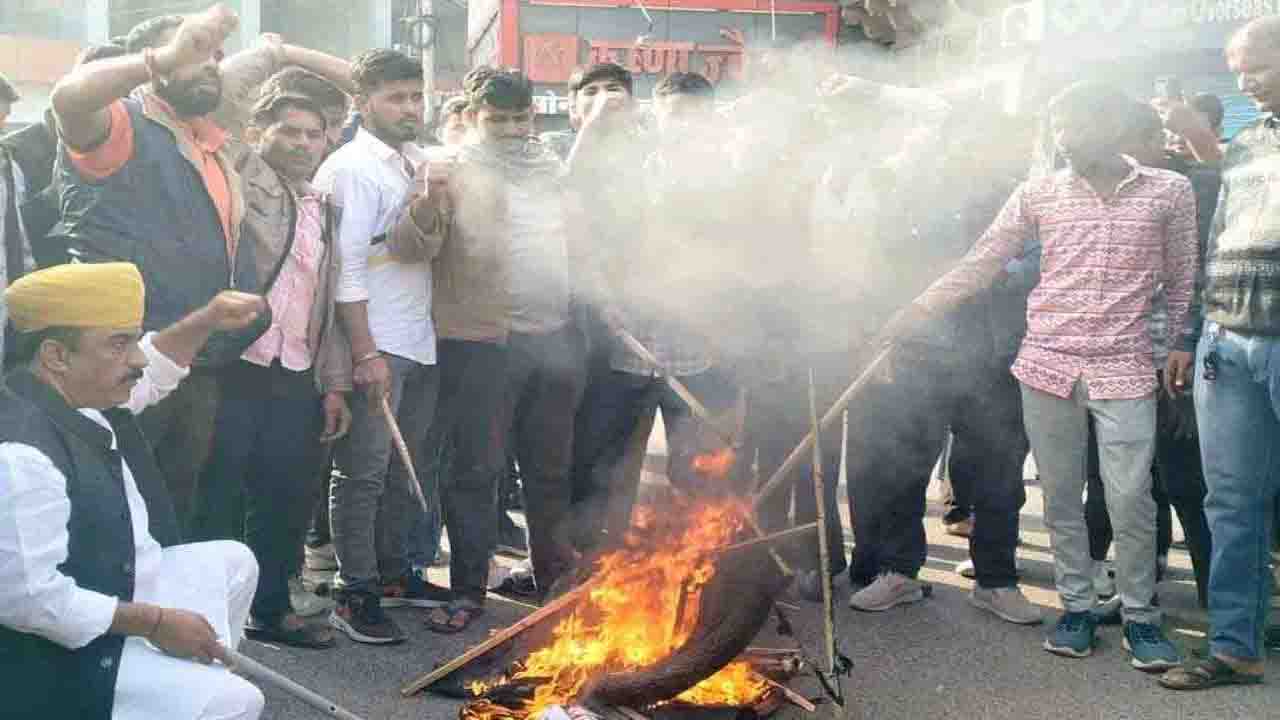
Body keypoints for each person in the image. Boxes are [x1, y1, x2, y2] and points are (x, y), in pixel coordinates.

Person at [890, 81, 1197, 671]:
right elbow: (982, 260)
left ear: (1111, 126)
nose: (1065, 139)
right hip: (1047, 364)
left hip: (1126, 366)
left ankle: (1140, 615)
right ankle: (1076, 606)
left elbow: (1183, 277)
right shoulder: (1039, 193)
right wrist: (917, 309)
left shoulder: (1169, 190)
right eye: (1058, 128)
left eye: (1076, 126)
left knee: (1131, 496)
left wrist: (1180, 343)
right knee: (1059, 497)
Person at [0, 262, 269, 719]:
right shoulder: (21, 458)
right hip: (51, 658)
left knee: (233, 562)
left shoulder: (77, 391)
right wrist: (156, 622)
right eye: (119, 343)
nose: (137, 359)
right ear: (55, 356)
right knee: (237, 703)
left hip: (114, 589)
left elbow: (158, 363)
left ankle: (176, 689)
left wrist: (206, 319)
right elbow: (28, 602)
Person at [389, 67, 606, 627]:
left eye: (519, 117)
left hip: (554, 338)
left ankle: (552, 580)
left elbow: (578, 247)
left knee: (550, 472)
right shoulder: (450, 168)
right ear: (476, 116)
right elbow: (411, 246)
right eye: (498, 118)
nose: (510, 128)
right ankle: (467, 592)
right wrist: (430, 202)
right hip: (483, 344)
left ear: (533, 115)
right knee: (476, 471)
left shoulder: (552, 169)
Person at [196, 92, 353, 649]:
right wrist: (276, 50)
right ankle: (206, 617)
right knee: (218, 493)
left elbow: (326, 303)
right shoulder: (242, 176)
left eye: (314, 134)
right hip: (236, 360)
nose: (303, 144)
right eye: (290, 131)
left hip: (296, 369)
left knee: (285, 494)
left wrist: (334, 383)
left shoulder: (325, 207)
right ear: (260, 129)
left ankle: (267, 609)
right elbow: (223, 108)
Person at [1159, 17, 1280, 691]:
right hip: (1229, 342)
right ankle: (1236, 647)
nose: (1243, 81)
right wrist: (1193, 333)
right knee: (1232, 502)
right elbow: (1219, 240)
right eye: (1235, 70)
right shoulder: (1248, 144)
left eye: (1256, 66)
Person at [313, 48, 442, 645]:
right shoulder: (351, 169)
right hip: (377, 341)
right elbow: (345, 272)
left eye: (415, 95)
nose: (410, 107)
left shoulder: (415, 161)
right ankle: (353, 590)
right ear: (363, 104)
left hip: (416, 337)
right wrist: (365, 354)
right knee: (361, 473)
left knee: (398, 470)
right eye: (395, 97)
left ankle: (392, 575)